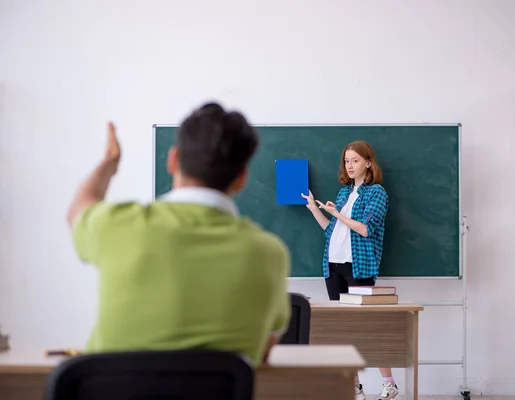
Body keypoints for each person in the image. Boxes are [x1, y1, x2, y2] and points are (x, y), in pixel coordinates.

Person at [66, 102, 291, 367]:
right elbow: (263, 349)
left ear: (172, 160)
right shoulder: (269, 254)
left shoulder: (118, 225)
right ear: (241, 178)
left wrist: (109, 164)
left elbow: (78, 211)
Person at [301, 140, 395, 400]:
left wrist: (337, 214)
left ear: (368, 162)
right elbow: (332, 231)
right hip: (333, 265)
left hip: (360, 266)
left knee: (367, 326)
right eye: (346, 161)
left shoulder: (377, 193)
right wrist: (314, 208)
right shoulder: (343, 194)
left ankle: (388, 382)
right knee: (344, 329)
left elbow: (365, 229)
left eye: (355, 160)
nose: (350, 165)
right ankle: (355, 387)